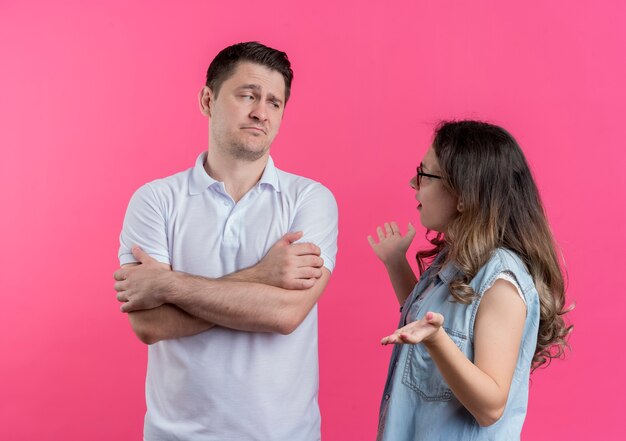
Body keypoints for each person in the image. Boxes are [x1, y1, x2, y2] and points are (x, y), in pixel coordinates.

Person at [113, 42, 338, 441]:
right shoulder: (155, 200)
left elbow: (285, 315)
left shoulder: (310, 199)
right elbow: (149, 324)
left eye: (274, 102)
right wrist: (263, 276)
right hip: (174, 435)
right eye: (247, 95)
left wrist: (168, 285)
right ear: (207, 99)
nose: (260, 113)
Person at [368, 120, 571, 440]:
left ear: (462, 195)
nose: (412, 182)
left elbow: (490, 407)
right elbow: (424, 325)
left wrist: (437, 341)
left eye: (425, 174)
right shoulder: (454, 259)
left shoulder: (501, 282)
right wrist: (396, 264)